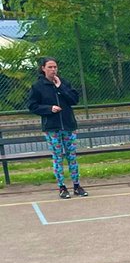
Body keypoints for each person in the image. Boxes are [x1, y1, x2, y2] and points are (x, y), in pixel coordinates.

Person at [27, 56, 88, 199]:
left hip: (68, 126)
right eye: (50, 67)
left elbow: (74, 100)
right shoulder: (38, 86)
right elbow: (32, 105)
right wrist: (49, 109)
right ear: (43, 68)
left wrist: (61, 87)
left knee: (72, 156)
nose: (53, 70)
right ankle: (62, 187)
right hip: (52, 128)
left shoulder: (64, 83)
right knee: (58, 157)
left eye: (55, 67)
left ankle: (77, 185)